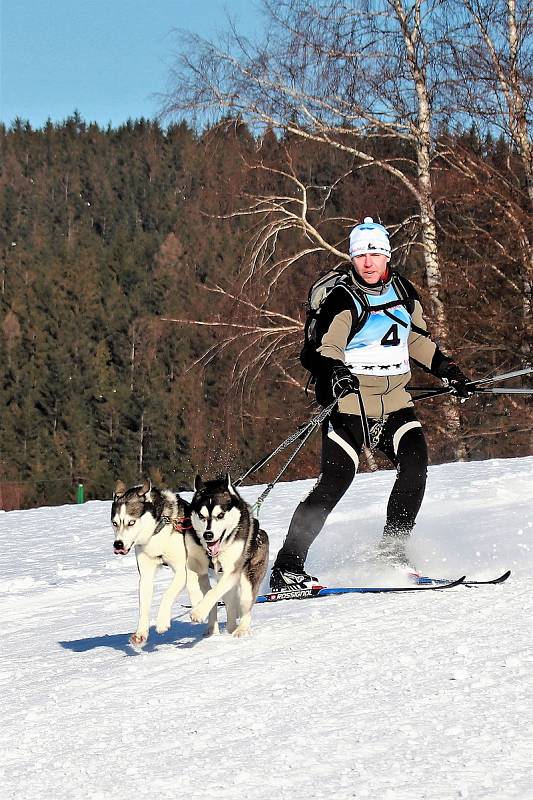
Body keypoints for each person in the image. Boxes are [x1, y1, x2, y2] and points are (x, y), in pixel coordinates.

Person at [270, 216, 471, 590]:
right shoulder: (343, 299)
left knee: (415, 465)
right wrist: (336, 372)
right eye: (361, 254)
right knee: (335, 481)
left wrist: (448, 369)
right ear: (351, 258)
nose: (368, 261)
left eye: (375, 253)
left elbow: (415, 340)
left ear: (387, 256)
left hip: (395, 402)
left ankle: (392, 552)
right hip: (350, 407)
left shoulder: (404, 293)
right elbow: (327, 346)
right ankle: (286, 567)